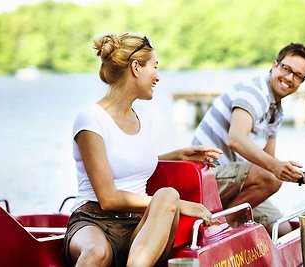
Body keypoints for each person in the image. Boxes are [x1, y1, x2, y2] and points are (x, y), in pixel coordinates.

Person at [62, 32, 222, 267]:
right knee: (97, 252)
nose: (157, 76)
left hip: (139, 227)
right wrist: (180, 204)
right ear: (136, 67)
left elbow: (128, 164)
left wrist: (178, 155)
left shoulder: (144, 117)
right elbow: (108, 198)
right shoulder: (91, 120)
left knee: (167, 195)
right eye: (154, 67)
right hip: (92, 220)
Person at [192, 43, 305, 236]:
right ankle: (220, 229)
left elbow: (268, 162)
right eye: (286, 69)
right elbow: (236, 139)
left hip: (232, 182)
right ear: (274, 65)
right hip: (204, 177)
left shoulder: (275, 111)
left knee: (285, 232)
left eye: (298, 75)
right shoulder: (255, 92)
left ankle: (227, 223)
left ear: (301, 82)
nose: (289, 78)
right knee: (270, 177)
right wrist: (275, 168)